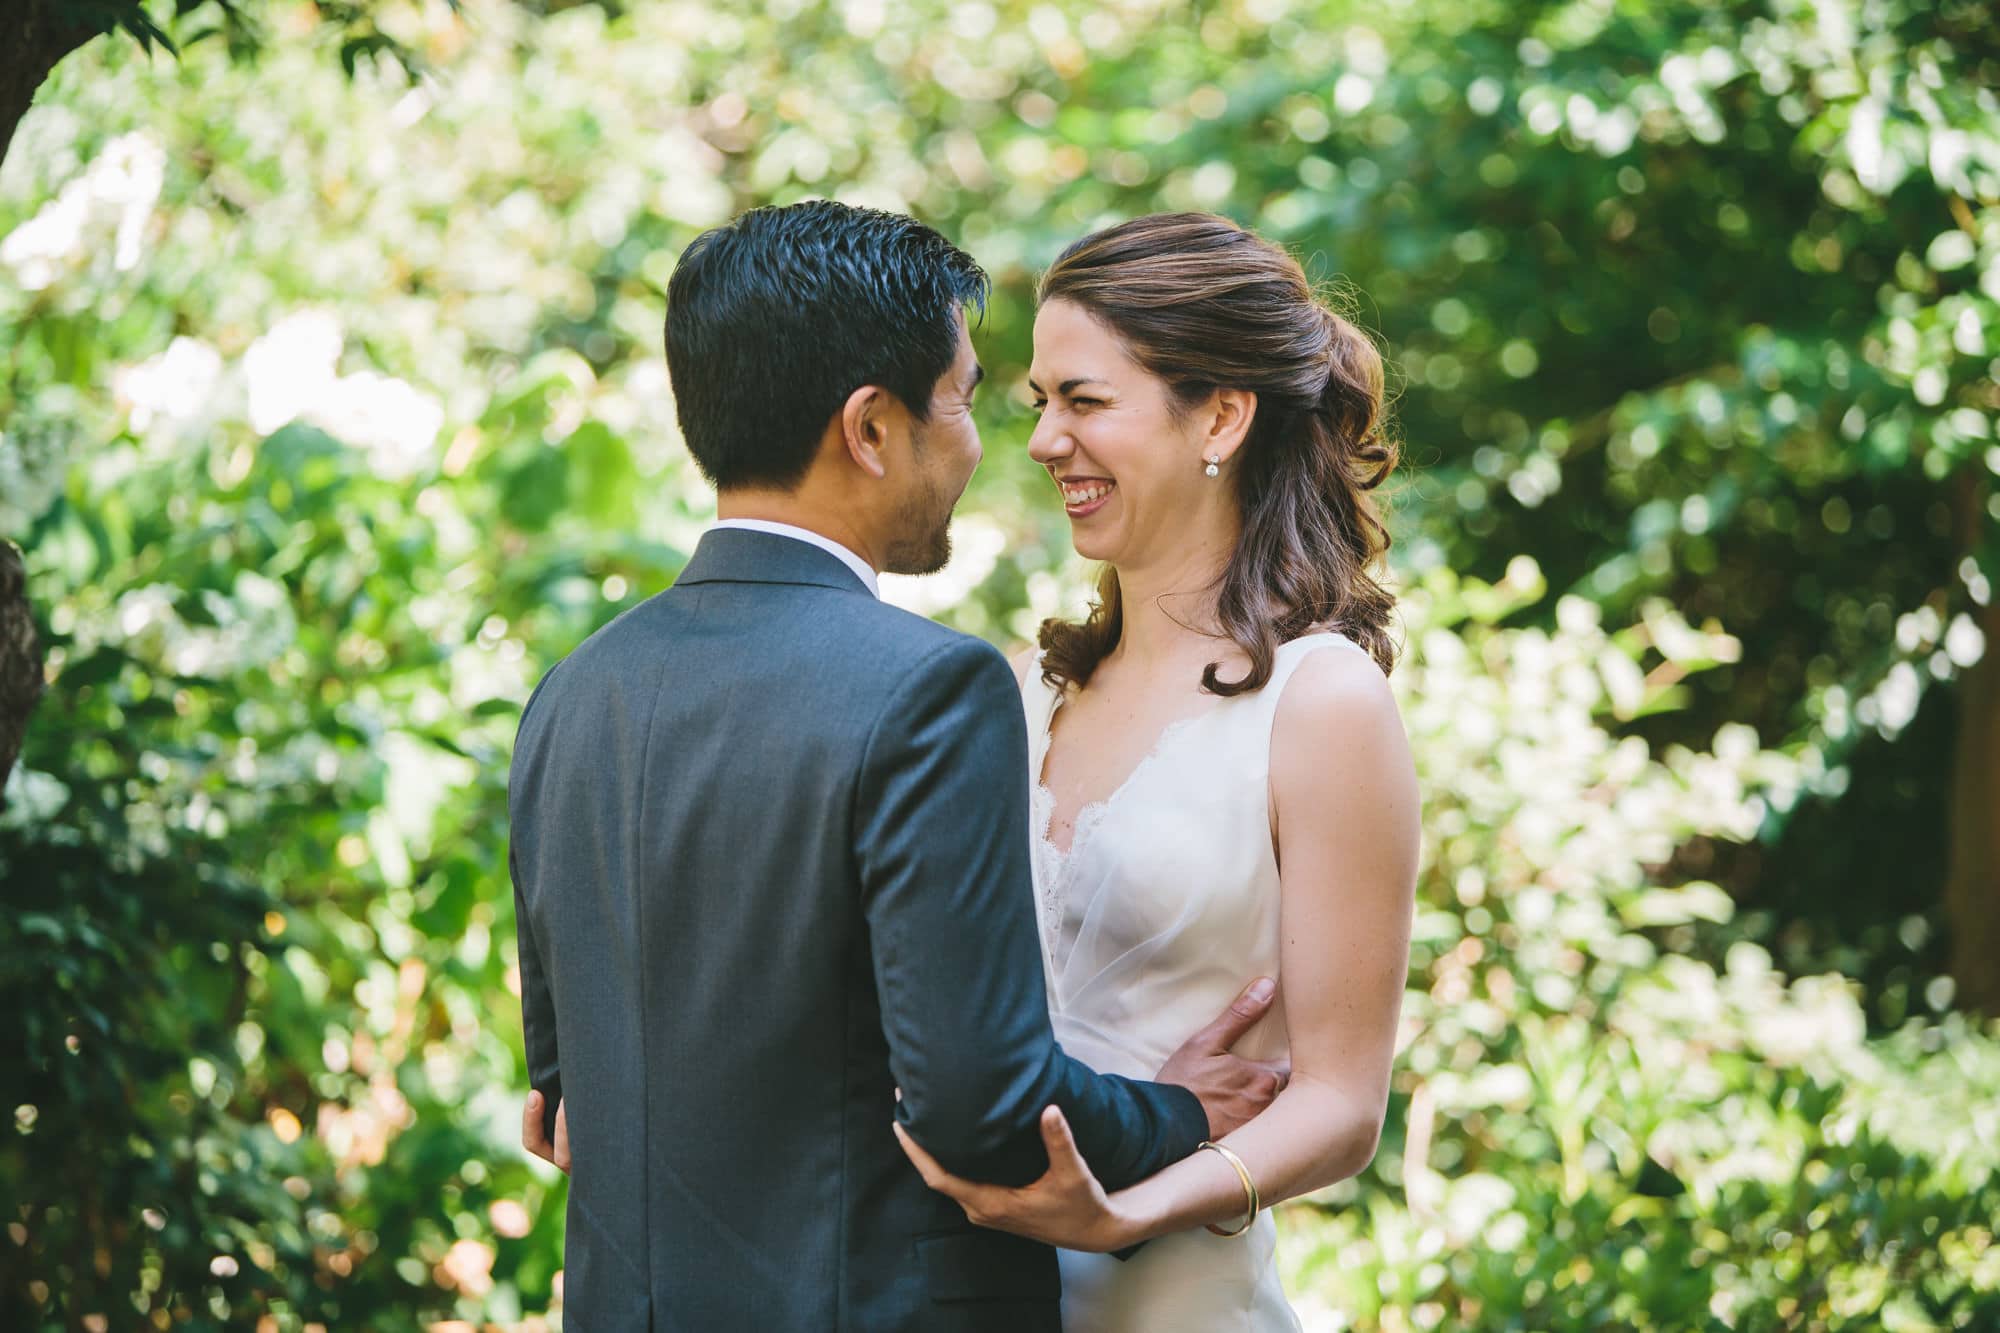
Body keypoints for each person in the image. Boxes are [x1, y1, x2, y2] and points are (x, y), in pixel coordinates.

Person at [506, 200, 1289, 1332]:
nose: (983, 443)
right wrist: (1180, 1112)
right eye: (965, 398)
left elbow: (563, 1101)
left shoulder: (570, 694)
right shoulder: (928, 690)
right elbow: (981, 1108)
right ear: (871, 428)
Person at [894, 212, 1422, 1331]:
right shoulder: (1016, 692)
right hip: (970, 1294)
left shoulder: (1319, 702)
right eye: (1038, 402)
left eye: (1083, 401)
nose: (1041, 441)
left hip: (1174, 1291)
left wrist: (1128, 1211)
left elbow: (1339, 1101)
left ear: (1220, 414)